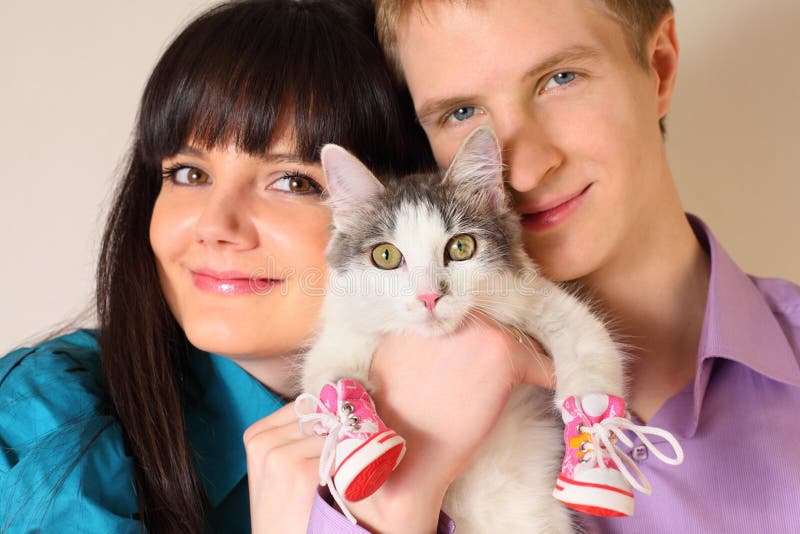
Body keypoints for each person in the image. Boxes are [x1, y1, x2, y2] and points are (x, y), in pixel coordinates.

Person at [0, 1, 490, 532]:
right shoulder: (51, 423)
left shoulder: (507, 425)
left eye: (294, 182)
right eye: (189, 173)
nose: (216, 225)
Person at [347, 0, 798, 532]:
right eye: (461, 113)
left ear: (660, 66)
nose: (524, 173)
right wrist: (402, 497)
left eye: (560, 79)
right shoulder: (343, 428)